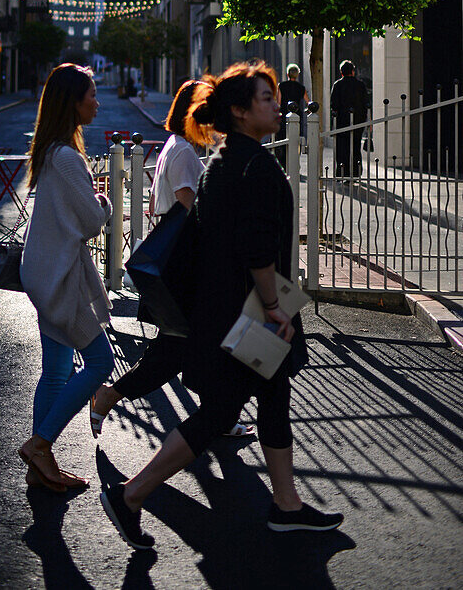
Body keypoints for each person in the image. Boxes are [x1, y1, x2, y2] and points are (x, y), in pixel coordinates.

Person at [100, 62, 343, 550]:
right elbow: (256, 249)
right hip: (248, 312)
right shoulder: (252, 164)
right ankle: (132, 494)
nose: (277, 105)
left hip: (231, 310)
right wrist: (275, 308)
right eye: (266, 98)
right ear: (239, 110)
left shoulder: (228, 157)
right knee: (221, 412)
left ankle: (287, 506)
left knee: (273, 397)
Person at [89, 79, 253, 440]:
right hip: (185, 264)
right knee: (177, 348)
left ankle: (220, 417)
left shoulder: (178, 148)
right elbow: (188, 204)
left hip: (184, 262)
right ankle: (110, 396)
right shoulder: (181, 152)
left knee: (194, 344)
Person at [18, 64, 115, 493]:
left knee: (56, 370)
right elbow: (94, 222)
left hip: (44, 275)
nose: (97, 101)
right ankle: (39, 446)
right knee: (100, 363)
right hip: (62, 279)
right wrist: (105, 199)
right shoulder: (68, 157)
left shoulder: (51, 151)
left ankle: (41, 467)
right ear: (73, 102)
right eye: (91, 95)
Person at [330, 60, 369, 177]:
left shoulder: (337, 85)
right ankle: (356, 172)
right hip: (358, 121)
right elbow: (366, 103)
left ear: (341, 72)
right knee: (356, 147)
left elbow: (334, 104)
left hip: (342, 122)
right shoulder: (360, 85)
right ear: (353, 71)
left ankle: (342, 172)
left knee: (342, 148)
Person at [276, 64, 309, 168]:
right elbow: (308, 102)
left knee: (283, 141)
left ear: (287, 74)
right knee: (295, 141)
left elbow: (278, 102)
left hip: (284, 117)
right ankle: (294, 163)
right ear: (298, 74)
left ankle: (283, 164)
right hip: (297, 117)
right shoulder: (301, 88)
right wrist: (307, 110)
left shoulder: (281, 86)